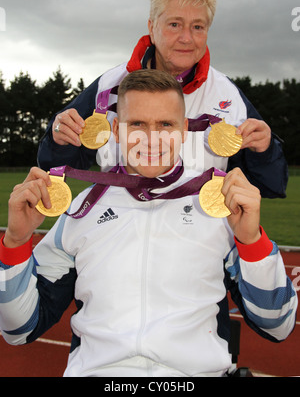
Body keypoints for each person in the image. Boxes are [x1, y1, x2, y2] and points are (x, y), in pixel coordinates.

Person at [0, 70, 297, 377]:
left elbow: (277, 324)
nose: (151, 138)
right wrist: (16, 243)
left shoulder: (221, 208)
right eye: (137, 124)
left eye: (165, 124)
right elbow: (19, 328)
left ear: (183, 130)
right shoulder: (80, 211)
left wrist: (252, 244)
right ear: (116, 129)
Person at [37, 0, 288, 199]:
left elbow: (270, 186)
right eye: (174, 24)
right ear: (152, 27)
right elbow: (56, 168)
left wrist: (264, 151)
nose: (186, 38)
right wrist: (60, 138)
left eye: (197, 26)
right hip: (119, 228)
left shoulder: (227, 94)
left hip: (199, 236)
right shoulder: (109, 86)